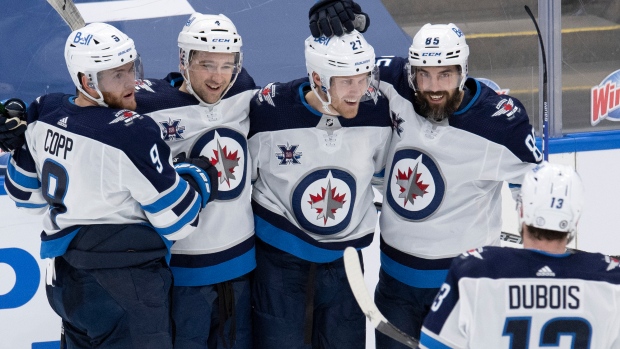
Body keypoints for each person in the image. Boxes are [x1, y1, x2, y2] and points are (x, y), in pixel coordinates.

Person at [308, 8, 542, 346]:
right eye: (424, 75)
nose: (433, 87)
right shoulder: (393, 82)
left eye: (444, 75)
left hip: (464, 291)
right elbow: (340, 72)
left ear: (463, 72)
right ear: (411, 72)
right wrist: (336, 26)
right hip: (394, 286)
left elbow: (537, 190)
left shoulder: (500, 124)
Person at [3, 23, 215, 348]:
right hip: (125, 285)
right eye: (117, 75)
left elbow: (25, 196)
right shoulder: (130, 132)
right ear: (87, 81)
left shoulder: (43, 111)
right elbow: (177, 220)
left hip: (66, 282)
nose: (132, 83)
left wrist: (21, 144)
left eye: (132, 69)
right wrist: (197, 176)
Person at [248, 30, 392, 348]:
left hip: (346, 264)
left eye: (363, 78)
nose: (358, 91)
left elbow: (381, 173)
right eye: (346, 81)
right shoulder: (269, 112)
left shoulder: (378, 112)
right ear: (317, 78)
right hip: (281, 263)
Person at [133, 13, 259, 349]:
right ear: (183, 60)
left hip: (243, 268)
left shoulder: (243, 89)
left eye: (227, 65)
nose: (219, 77)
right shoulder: (148, 106)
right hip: (182, 276)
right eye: (207, 65)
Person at [420, 162, 620, 348]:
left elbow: (432, 343)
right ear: (575, 220)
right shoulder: (611, 283)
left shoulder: (474, 272)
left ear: (521, 209)